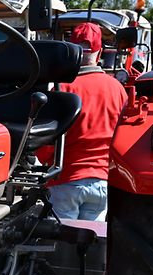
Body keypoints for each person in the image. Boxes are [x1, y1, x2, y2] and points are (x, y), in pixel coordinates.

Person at [42, 23, 128, 221]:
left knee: (62, 237)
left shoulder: (62, 89)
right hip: (103, 182)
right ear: (100, 52)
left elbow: (46, 140)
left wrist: (46, 162)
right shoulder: (118, 89)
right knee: (92, 237)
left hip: (66, 180)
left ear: (71, 52)